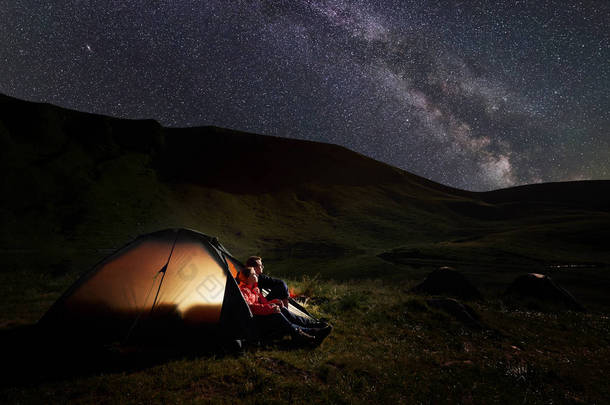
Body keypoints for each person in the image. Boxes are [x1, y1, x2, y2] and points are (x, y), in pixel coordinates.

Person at [237, 266, 331, 345]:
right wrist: (270, 309)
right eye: (253, 274)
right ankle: (308, 332)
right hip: (256, 320)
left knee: (283, 309)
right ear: (248, 278)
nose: (256, 275)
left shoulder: (255, 289)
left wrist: (274, 302)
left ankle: (313, 326)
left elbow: (264, 303)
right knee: (276, 314)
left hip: (262, 313)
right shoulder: (244, 291)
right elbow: (251, 307)